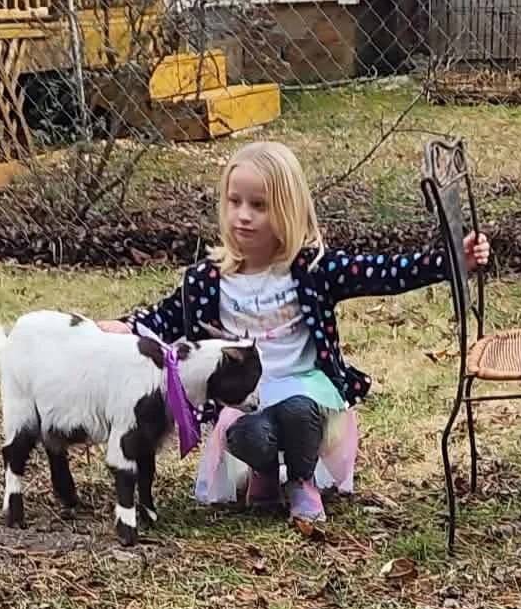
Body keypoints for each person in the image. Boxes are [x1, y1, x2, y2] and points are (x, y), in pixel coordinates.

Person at [100, 140, 488, 534]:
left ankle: (302, 481)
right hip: (247, 399)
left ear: (288, 209)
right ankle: (264, 472)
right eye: (234, 202)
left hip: (306, 391)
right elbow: (165, 318)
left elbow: (384, 272)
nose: (243, 216)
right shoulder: (206, 280)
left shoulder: (312, 269)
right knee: (247, 432)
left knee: (298, 410)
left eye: (259, 205)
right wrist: (126, 326)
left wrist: (451, 260)